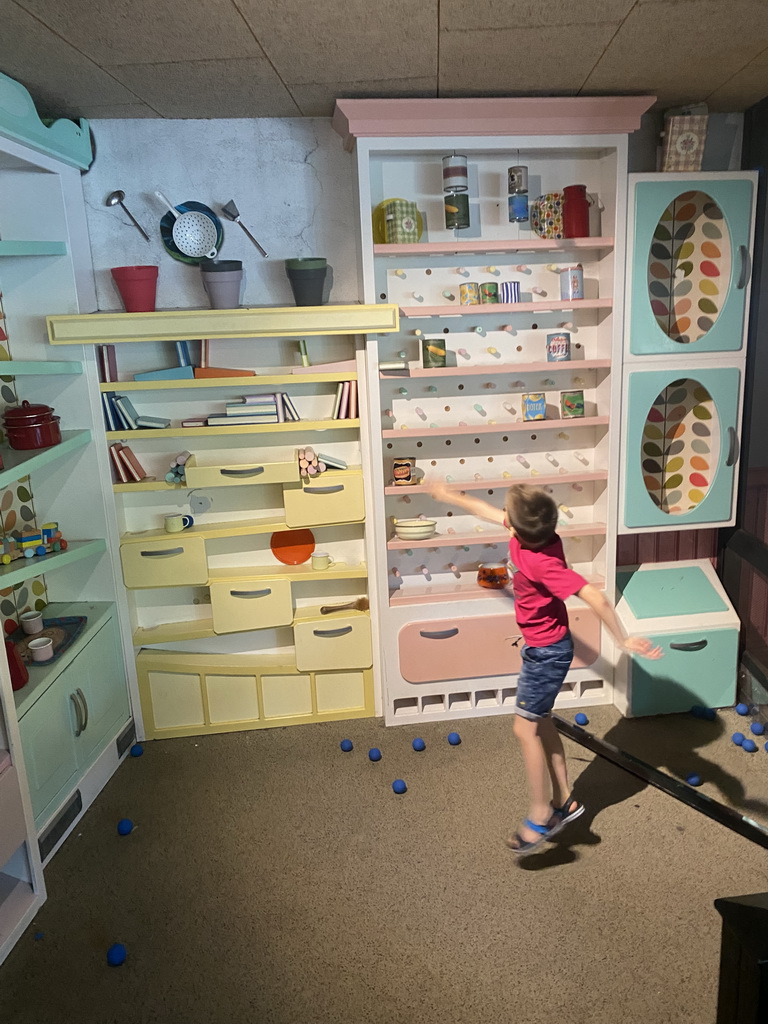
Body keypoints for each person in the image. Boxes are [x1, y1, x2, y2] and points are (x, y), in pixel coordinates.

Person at [429, 480, 662, 856]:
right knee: (543, 721)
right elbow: (486, 511)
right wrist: (447, 497)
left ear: (520, 529)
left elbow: (594, 596)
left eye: (508, 514)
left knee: (524, 730)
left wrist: (621, 639)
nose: (502, 516)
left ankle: (541, 815)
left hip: (548, 653)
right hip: (542, 648)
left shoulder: (543, 561)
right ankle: (566, 800)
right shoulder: (533, 536)